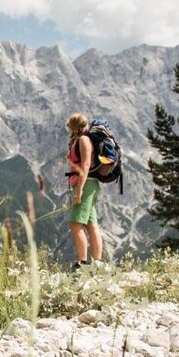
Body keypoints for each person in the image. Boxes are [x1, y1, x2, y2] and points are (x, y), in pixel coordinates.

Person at [66, 113, 103, 269]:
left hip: (86, 184)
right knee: (91, 224)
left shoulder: (83, 140)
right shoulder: (80, 140)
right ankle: (97, 263)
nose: (68, 129)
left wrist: (79, 189)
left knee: (75, 224)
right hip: (87, 184)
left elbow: (86, 165)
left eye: (69, 126)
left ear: (74, 126)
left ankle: (82, 262)